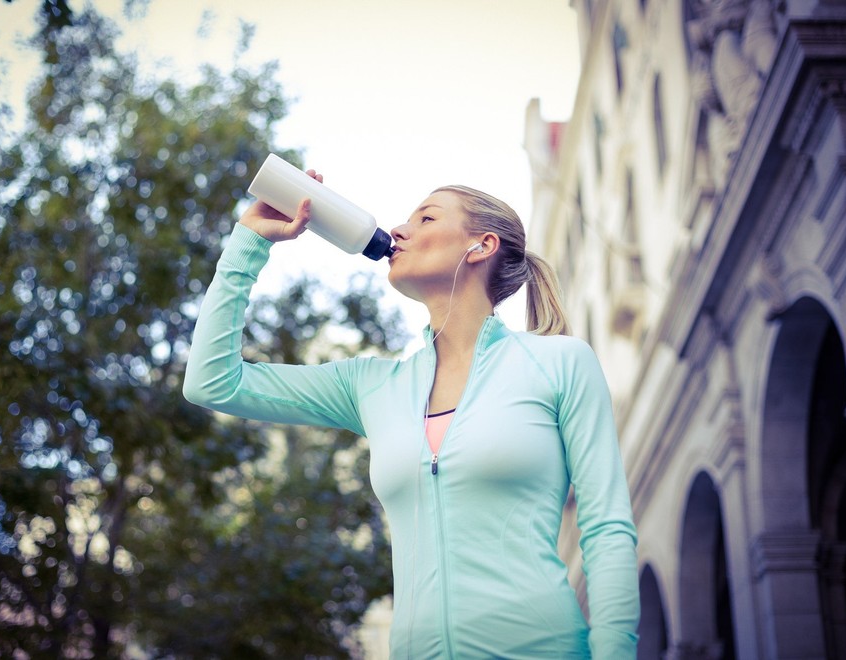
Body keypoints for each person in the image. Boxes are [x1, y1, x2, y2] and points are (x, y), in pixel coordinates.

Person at [183, 168, 640, 659]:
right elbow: (212, 381)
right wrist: (249, 242)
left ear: (481, 246)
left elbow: (606, 528)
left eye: (425, 218)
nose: (399, 231)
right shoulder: (371, 385)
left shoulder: (559, 362)